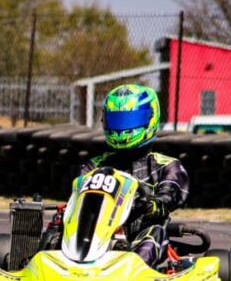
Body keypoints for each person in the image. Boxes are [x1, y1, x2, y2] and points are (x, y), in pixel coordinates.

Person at [46, 83, 190, 268]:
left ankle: (132, 272)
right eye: (117, 120)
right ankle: (45, 266)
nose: (122, 128)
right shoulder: (94, 165)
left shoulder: (167, 165)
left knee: (154, 233)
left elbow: (172, 193)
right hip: (93, 235)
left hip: (136, 237)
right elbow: (78, 194)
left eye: (130, 120)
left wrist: (154, 204)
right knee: (57, 226)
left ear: (150, 119)